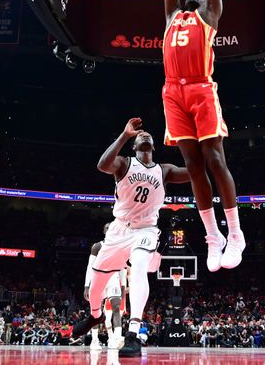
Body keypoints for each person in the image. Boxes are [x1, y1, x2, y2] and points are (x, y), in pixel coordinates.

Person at [162, 0, 245, 272]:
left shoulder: (209, 15)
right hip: (172, 94)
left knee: (214, 160)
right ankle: (212, 236)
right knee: (193, 166)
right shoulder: (170, 17)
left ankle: (236, 233)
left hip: (200, 89)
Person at [71, 118, 189, 357]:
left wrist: (201, 147)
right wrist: (125, 135)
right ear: (134, 147)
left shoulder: (164, 170)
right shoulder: (125, 164)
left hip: (145, 230)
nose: (144, 137)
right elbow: (103, 165)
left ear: (154, 146)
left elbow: (195, 171)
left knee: (139, 268)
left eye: (147, 137)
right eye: (139, 138)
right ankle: (95, 316)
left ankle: (133, 333)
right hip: (118, 230)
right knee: (96, 288)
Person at [84, 224, 127, 350]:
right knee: (96, 312)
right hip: (98, 280)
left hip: (114, 280)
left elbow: (122, 268)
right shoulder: (97, 246)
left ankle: (117, 338)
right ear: (104, 231)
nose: (110, 230)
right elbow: (89, 267)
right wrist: (87, 286)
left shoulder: (121, 247)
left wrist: (123, 286)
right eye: (108, 228)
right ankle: (95, 340)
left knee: (116, 308)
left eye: (113, 228)